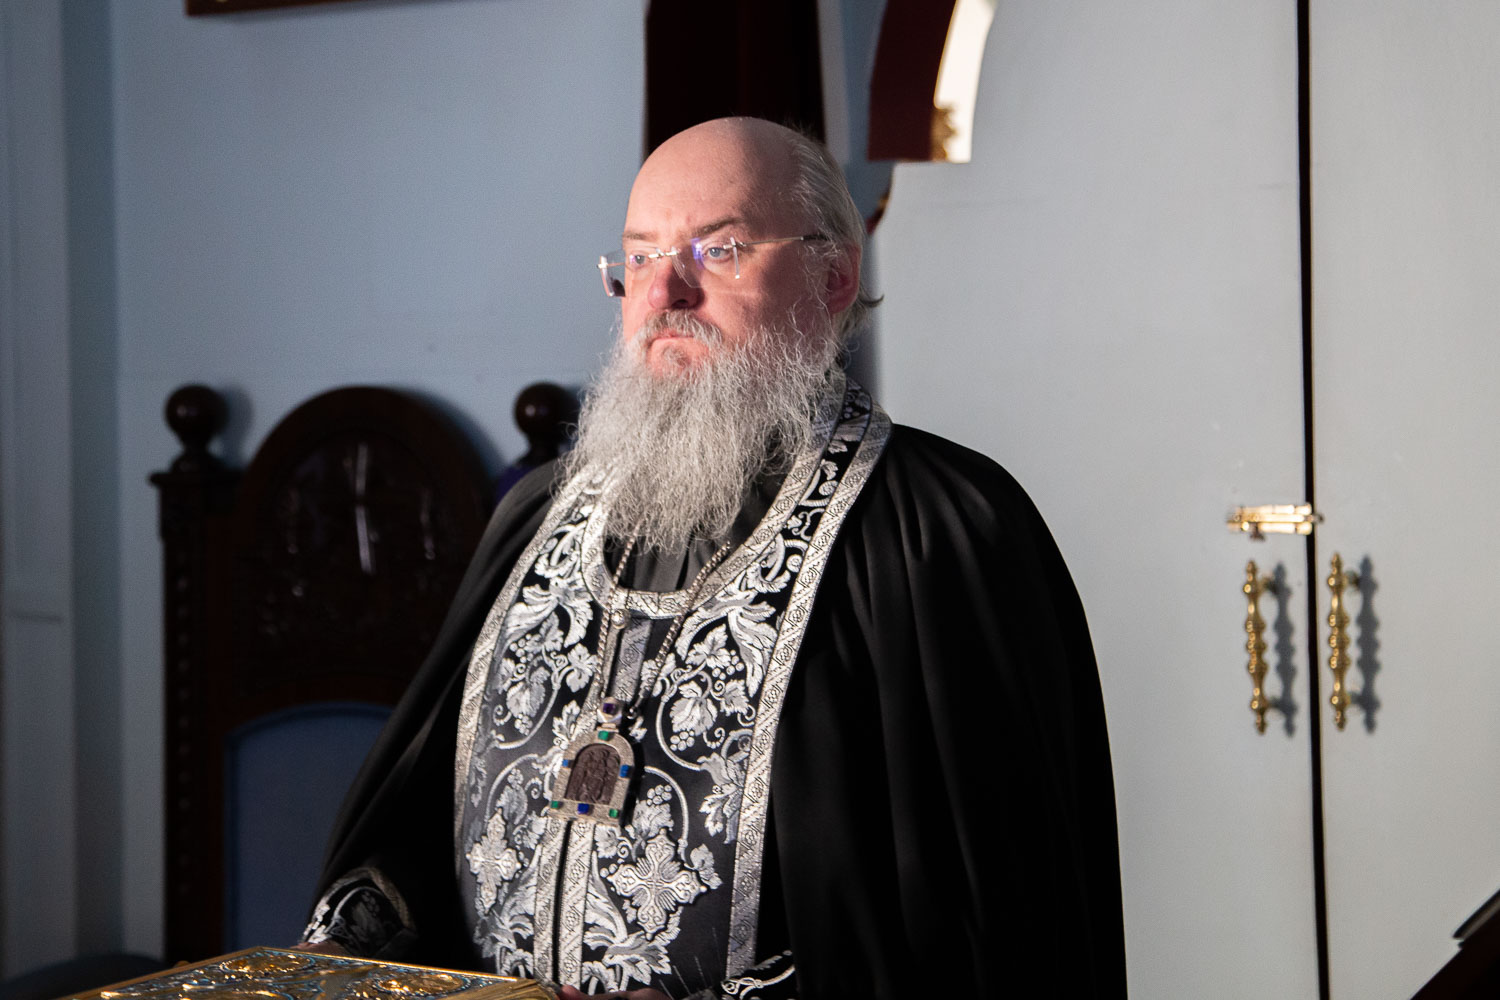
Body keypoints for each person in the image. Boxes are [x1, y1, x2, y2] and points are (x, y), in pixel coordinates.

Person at [301, 117, 1126, 999]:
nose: (666, 293)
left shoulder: (938, 529)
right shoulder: (537, 514)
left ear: (834, 275)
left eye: (719, 251)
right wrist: (353, 942)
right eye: (640, 258)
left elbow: (995, 918)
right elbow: (414, 826)